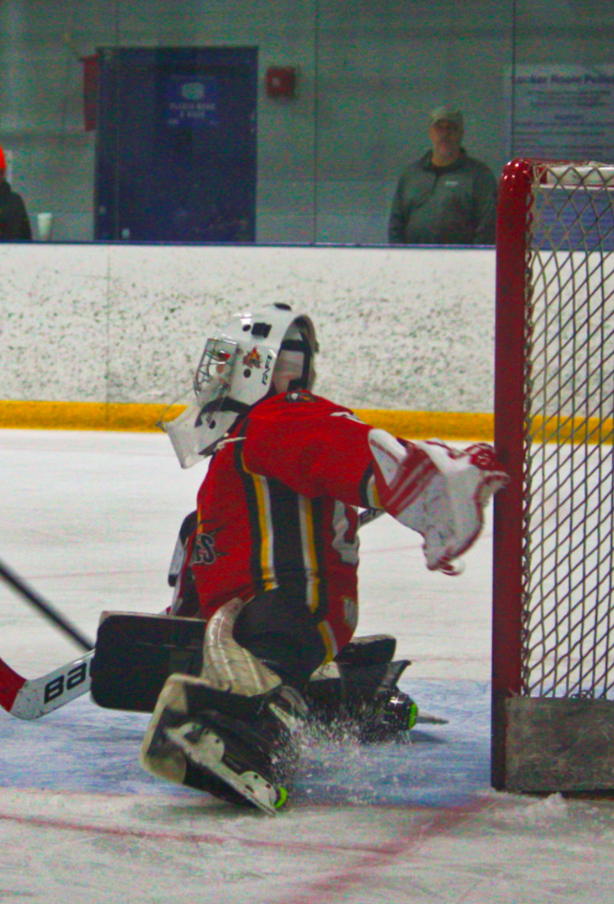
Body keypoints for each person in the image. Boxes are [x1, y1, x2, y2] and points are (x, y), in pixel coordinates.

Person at [141, 303, 507, 812]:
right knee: (200, 536)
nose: (216, 372)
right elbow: (211, 547)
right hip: (264, 614)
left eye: (227, 359)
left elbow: (341, 446)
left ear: (260, 365)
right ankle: (343, 693)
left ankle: (253, 728)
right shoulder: (241, 443)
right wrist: (180, 629)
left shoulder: (280, 417)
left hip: (287, 611)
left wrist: (422, 484)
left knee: (268, 640)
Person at [388, 105, 498, 247]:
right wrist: (398, 254)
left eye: (452, 128)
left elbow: (488, 226)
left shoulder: (479, 176)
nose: (445, 134)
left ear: (461, 134)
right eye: (439, 128)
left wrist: (473, 256)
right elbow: (396, 223)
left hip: (461, 258)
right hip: (412, 257)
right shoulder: (411, 175)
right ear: (430, 133)